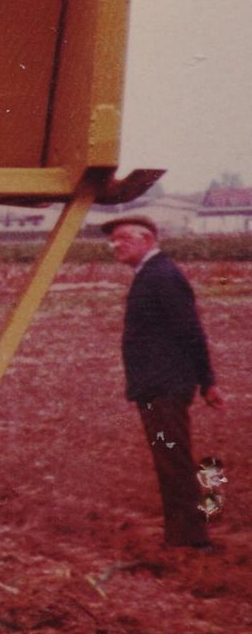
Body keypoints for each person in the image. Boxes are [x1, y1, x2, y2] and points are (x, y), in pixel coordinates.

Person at [109, 216, 226, 547]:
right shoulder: (150, 274)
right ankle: (181, 535)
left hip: (164, 388)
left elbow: (190, 331)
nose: (116, 245)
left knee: (173, 458)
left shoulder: (162, 275)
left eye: (123, 238)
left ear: (147, 239)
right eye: (113, 240)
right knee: (168, 458)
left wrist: (208, 382)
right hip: (154, 388)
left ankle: (192, 538)